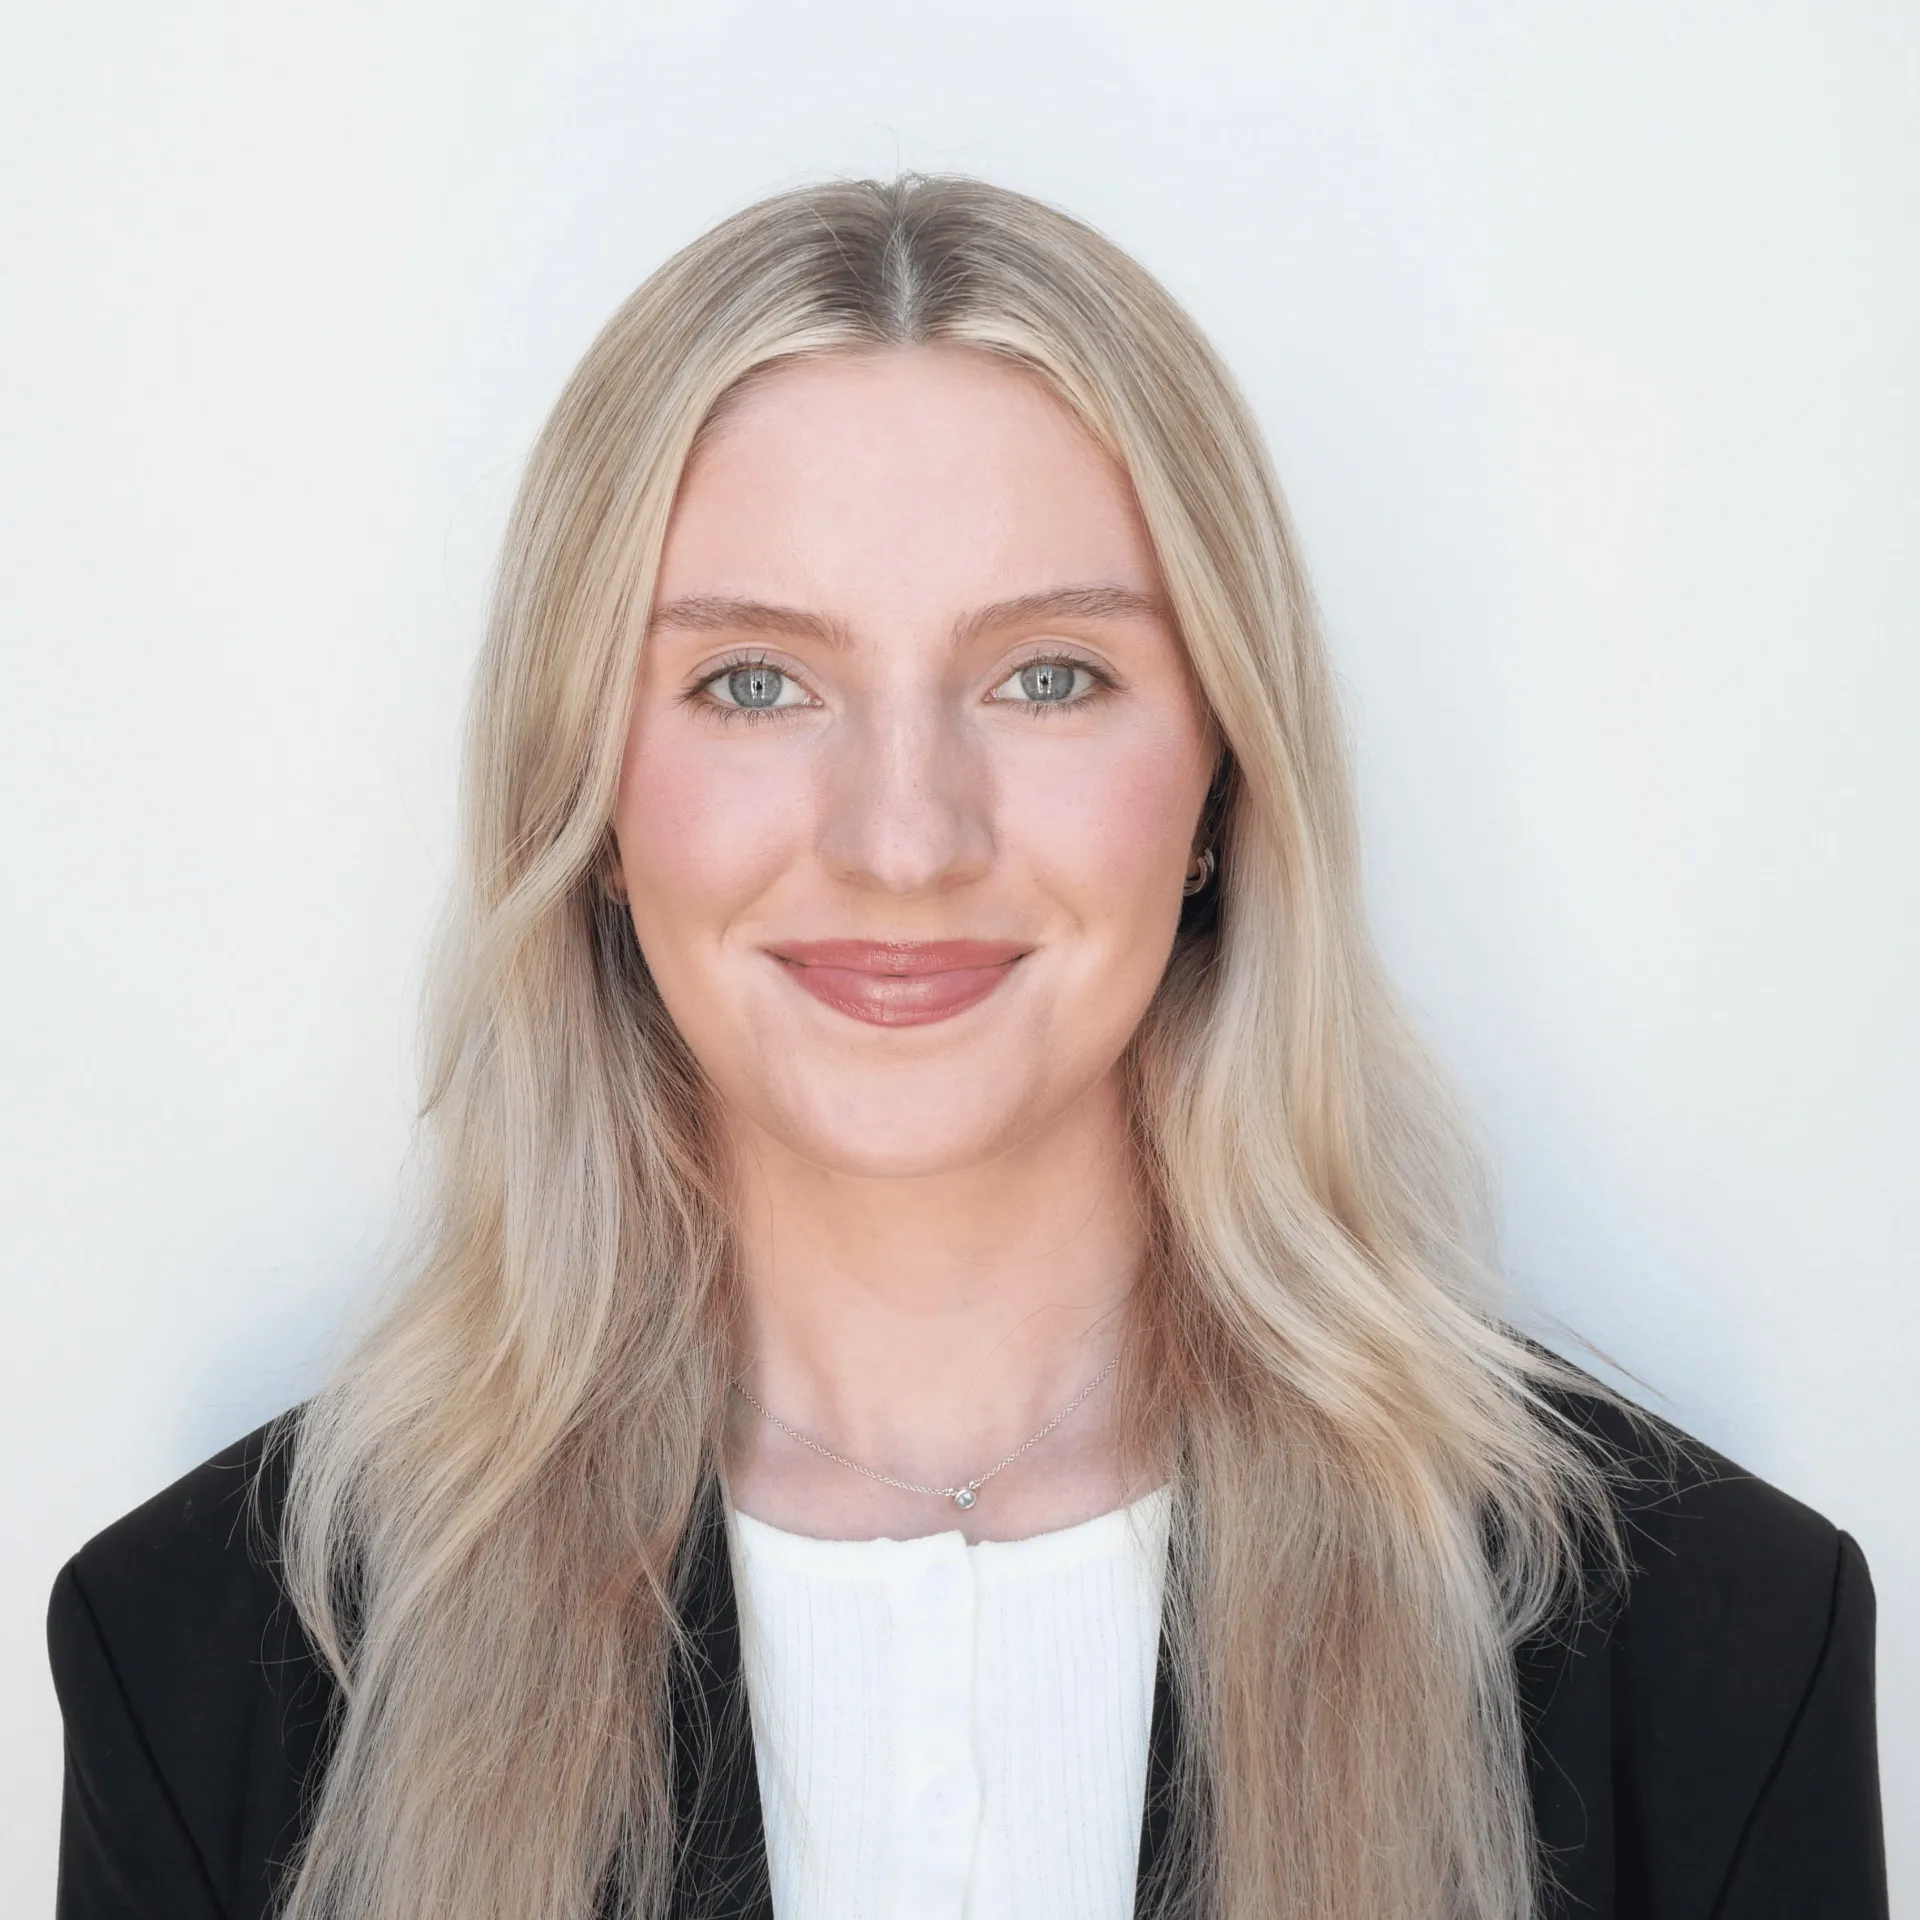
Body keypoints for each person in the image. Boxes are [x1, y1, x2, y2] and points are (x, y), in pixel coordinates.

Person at [47, 176, 1885, 1920]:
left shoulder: (1704, 1645)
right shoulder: (217, 1659)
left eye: (1050, 675)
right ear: (593, 802)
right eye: (752, 683)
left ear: (1223, 779)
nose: (903, 838)